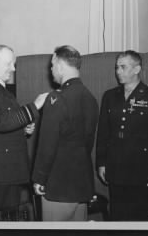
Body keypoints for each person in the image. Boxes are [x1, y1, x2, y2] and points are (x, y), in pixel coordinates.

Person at [0, 44, 48, 220]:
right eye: (9, 64)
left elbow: (3, 122)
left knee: (8, 219)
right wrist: (34, 106)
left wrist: (21, 129)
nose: (13, 69)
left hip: (5, 169)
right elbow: (0, 122)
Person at [96, 50, 148, 221]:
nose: (118, 71)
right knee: (117, 216)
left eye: (123, 67)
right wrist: (101, 162)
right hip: (115, 168)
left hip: (141, 170)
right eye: (117, 67)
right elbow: (103, 133)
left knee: (139, 217)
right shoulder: (110, 96)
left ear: (137, 69)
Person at [32, 45, 99, 221]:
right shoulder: (90, 98)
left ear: (60, 66)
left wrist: (39, 178)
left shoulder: (57, 98)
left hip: (58, 186)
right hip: (81, 185)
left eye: (52, 66)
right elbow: (88, 144)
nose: (51, 70)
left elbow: (47, 144)